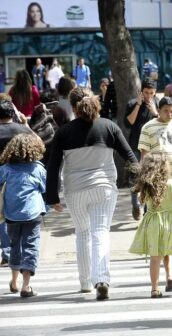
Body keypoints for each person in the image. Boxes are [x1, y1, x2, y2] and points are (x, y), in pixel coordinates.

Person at [46, 92, 138, 300]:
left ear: (73, 108)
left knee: (83, 233)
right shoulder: (109, 127)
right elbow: (131, 157)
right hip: (104, 187)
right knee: (100, 232)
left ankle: (85, 282)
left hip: (75, 190)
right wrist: (143, 183)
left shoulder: (64, 132)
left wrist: (52, 196)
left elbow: (53, 166)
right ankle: (102, 279)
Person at [138, 96, 172, 259]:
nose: (169, 114)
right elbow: (144, 154)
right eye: (165, 111)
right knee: (154, 211)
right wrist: (144, 178)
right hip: (156, 177)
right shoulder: (148, 127)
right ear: (159, 110)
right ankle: (153, 243)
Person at [129, 153, 172, 298]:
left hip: (152, 222)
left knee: (155, 257)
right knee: (168, 250)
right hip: (169, 222)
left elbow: (142, 200)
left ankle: (154, 288)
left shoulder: (147, 186)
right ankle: (170, 276)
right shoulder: (171, 183)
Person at [0, 133, 46, 297]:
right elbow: (43, 189)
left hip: (12, 215)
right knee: (31, 246)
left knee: (14, 245)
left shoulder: (4, 169)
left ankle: (14, 282)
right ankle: (26, 286)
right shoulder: (38, 168)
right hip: (32, 214)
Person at [0, 98, 34, 267]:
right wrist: (26, 124)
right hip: (20, 180)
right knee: (17, 217)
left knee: (1, 217)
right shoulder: (21, 130)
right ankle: (15, 251)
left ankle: (7, 251)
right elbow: (38, 144)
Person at [125, 79, 159, 220]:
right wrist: (138, 104)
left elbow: (164, 122)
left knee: (149, 178)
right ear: (141, 92)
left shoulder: (157, 103)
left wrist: (155, 112)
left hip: (152, 147)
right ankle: (135, 203)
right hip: (135, 145)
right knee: (135, 177)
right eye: (146, 93)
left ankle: (146, 210)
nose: (149, 96)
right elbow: (129, 123)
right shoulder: (132, 103)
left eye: (151, 93)